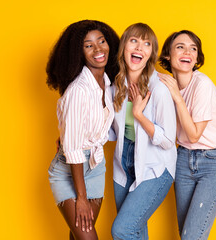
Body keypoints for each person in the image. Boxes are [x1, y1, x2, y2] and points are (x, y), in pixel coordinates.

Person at [46, 20, 119, 240]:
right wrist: (82, 198)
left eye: (102, 41)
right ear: (78, 52)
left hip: (96, 167)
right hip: (70, 170)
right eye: (88, 45)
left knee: (78, 235)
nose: (98, 49)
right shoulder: (78, 90)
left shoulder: (107, 83)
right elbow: (74, 150)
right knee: (88, 237)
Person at [158, 30, 216, 240]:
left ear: (197, 58)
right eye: (180, 47)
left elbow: (193, 135)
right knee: (186, 235)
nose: (187, 52)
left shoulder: (202, 84)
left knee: (192, 236)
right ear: (167, 56)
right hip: (183, 160)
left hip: (213, 161)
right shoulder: (167, 86)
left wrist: (177, 98)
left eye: (193, 48)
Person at [109, 23, 177, 239]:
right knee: (136, 231)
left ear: (150, 54)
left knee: (122, 229)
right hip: (124, 166)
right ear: (124, 47)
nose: (139, 47)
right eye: (134, 41)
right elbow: (111, 133)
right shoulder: (115, 88)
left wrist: (139, 115)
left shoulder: (159, 90)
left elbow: (167, 140)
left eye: (146, 44)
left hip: (155, 167)